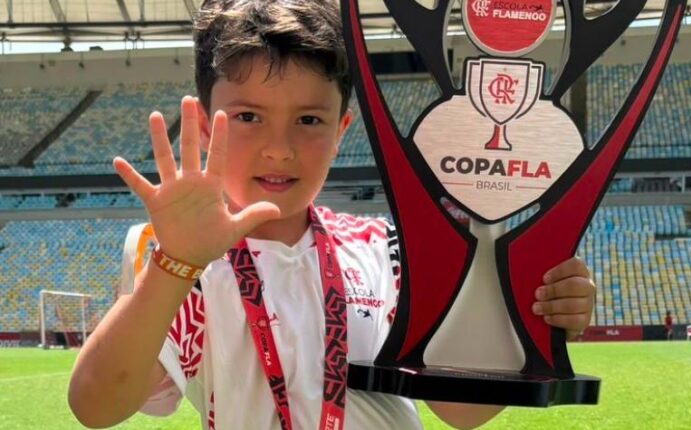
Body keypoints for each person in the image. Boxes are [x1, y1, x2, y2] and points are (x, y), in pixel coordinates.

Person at [67, 1, 597, 428]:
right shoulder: (182, 260)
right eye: (248, 116)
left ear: (341, 130)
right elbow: (96, 405)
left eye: (308, 120)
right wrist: (174, 264)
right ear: (206, 129)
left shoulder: (390, 249)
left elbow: (461, 412)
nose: (280, 149)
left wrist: (531, 318)